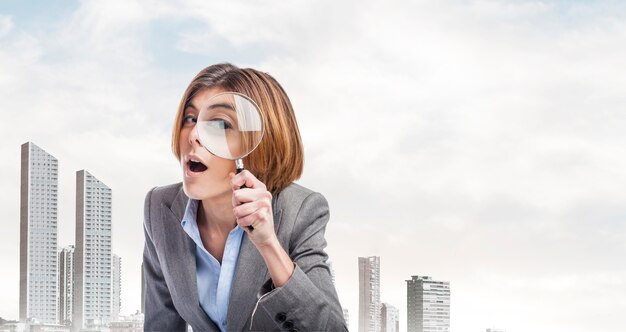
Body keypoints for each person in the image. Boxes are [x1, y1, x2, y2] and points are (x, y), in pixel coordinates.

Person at [142, 63, 347, 331]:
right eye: (190, 119)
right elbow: (161, 325)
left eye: (219, 124)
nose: (193, 136)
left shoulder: (300, 211)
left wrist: (269, 244)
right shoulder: (159, 208)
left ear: (259, 143)